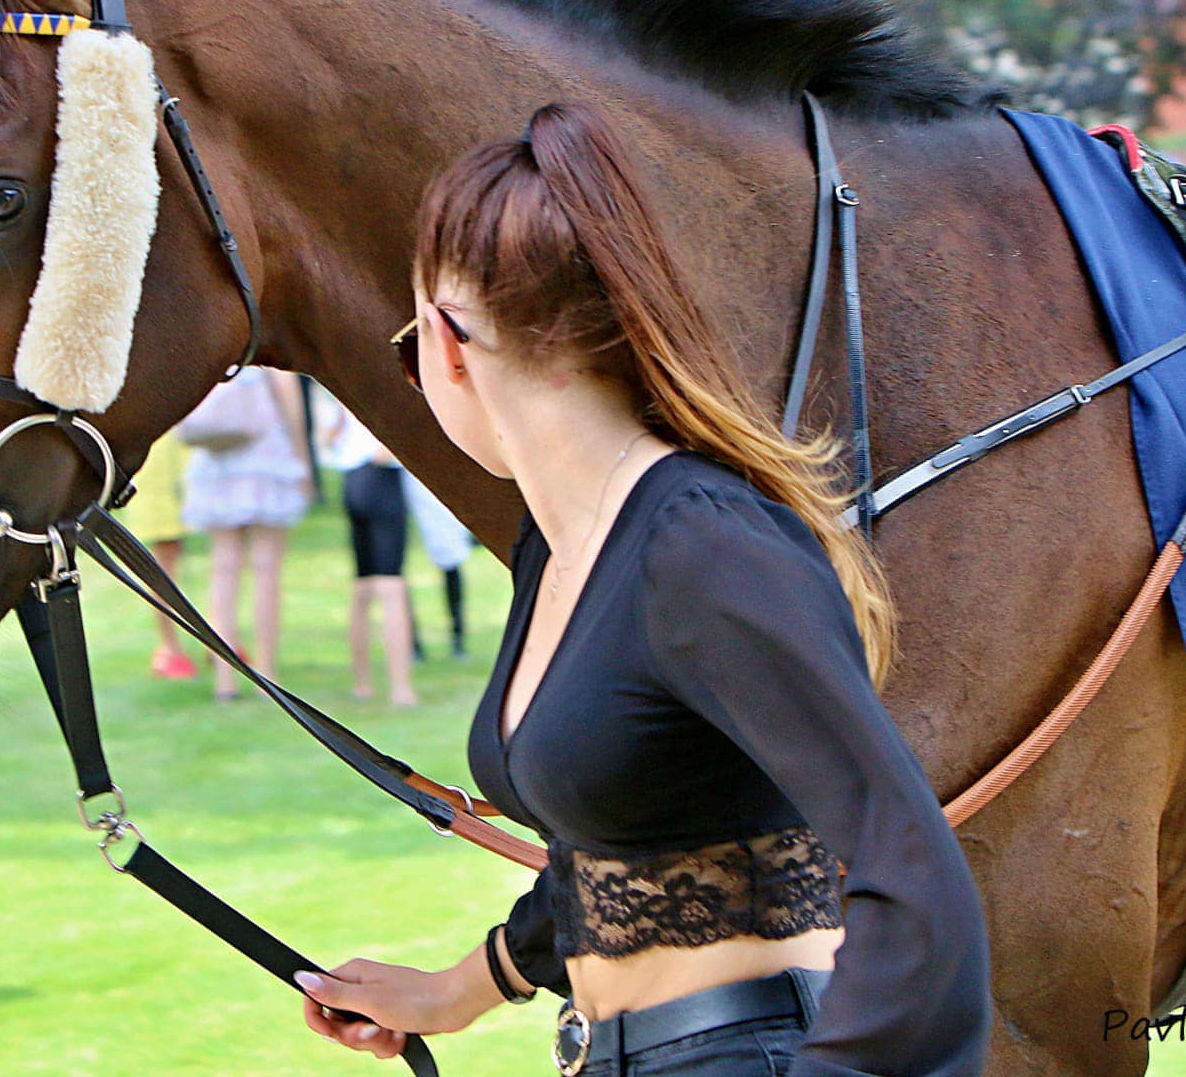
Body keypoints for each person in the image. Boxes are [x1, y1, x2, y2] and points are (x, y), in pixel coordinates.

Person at [296, 104, 993, 1075]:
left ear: (451, 345)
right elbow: (619, 833)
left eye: (409, 347)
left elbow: (920, 891)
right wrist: (454, 990)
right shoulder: (561, 547)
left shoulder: (703, 550)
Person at [180, 366, 310, 702]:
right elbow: (288, 394)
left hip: (217, 463)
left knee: (222, 573)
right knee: (266, 573)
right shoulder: (265, 350)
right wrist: (303, 458)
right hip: (265, 457)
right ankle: (266, 673)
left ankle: (226, 677)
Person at [318, 398, 419, 707]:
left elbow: (329, 433)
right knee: (391, 586)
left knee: (363, 586)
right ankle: (401, 687)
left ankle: (363, 684)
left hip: (353, 478)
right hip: (381, 475)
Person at [120, 427, 198, 679]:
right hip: (157, 453)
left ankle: (220, 636)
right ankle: (172, 647)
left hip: (193, 442)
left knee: (223, 547)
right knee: (165, 553)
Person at [400, 467, 474, 659]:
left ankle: (458, 639)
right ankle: (412, 644)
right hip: (387, 473)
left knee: (448, 554)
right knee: (393, 568)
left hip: (424, 470)